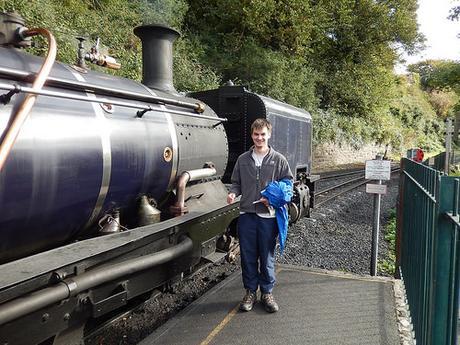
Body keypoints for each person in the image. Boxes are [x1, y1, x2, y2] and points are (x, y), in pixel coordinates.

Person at [227, 118, 293, 313]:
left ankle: (267, 292)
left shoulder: (278, 159)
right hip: (247, 214)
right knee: (247, 256)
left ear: (269, 134)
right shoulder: (243, 159)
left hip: (268, 217)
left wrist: (272, 200)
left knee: (266, 256)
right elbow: (236, 182)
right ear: (252, 135)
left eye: (263, 134)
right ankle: (250, 292)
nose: (259, 138)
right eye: (256, 134)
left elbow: (288, 184)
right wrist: (233, 192)